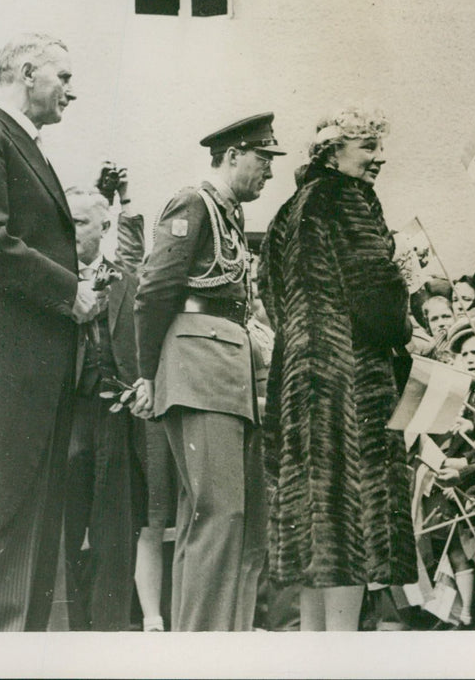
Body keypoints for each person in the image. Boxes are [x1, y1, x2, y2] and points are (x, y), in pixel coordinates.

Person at [261, 107, 417, 631]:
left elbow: (268, 293)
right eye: (367, 146)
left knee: (315, 516)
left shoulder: (288, 209)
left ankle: (316, 646)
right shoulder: (349, 197)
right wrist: (404, 301)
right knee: (355, 517)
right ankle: (345, 652)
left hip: (301, 374)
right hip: (352, 373)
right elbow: (376, 294)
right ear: (332, 151)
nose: (380, 157)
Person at [133, 113, 286, 631]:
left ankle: (221, 639)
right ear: (234, 154)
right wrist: (147, 373)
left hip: (223, 367)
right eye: (263, 160)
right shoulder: (194, 202)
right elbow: (155, 288)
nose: (268, 172)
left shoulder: (228, 213)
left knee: (229, 521)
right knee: (218, 517)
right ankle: (204, 651)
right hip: (199, 366)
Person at [0, 33, 97, 631]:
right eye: (64, 77)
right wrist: (68, 289)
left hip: (40, 372)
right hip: (13, 368)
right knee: (5, 524)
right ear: (28, 73)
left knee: (33, 537)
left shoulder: (28, 146)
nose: (72, 91)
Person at [62, 167, 147, 631]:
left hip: (116, 417)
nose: (70, 231)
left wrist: (126, 199)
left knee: (115, 535)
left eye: (79, 223)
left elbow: (138, 255)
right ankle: (68, 634)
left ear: (104, 228)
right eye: (67, 221)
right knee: (65, 533)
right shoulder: (54, 280)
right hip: (69, 415)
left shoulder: (122, 277)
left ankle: (108, 634)